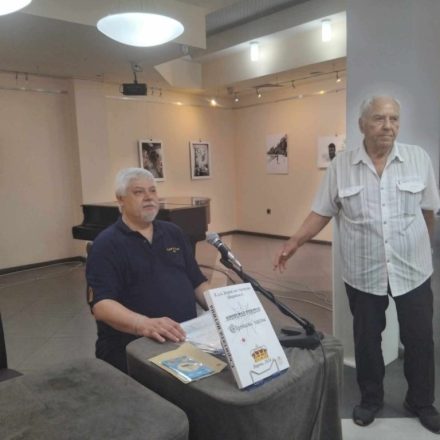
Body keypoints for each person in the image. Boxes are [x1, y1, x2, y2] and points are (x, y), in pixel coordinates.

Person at [273, 96, 440, 433]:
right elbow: (322, 211)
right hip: (364, 273)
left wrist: (419, 247)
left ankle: (421, 401)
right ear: (362, 124)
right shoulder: (341, 167)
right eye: (379, 118)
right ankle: (371, 399)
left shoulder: (418, 159)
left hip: (413, 270)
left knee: (420, 339)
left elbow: (428, 212)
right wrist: (294, 242)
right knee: (366, 341)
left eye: (394, 118)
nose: (388, 126)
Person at [86, 167, 209, 373]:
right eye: (139, 192)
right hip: (134, 347)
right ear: (120, 199)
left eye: (152, 190)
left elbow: (197, 282)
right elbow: (102, 305)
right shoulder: (106, 244)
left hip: (183, 338)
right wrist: (143, 324)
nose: (149, 197)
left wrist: (223, 308)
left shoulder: (173, 233)